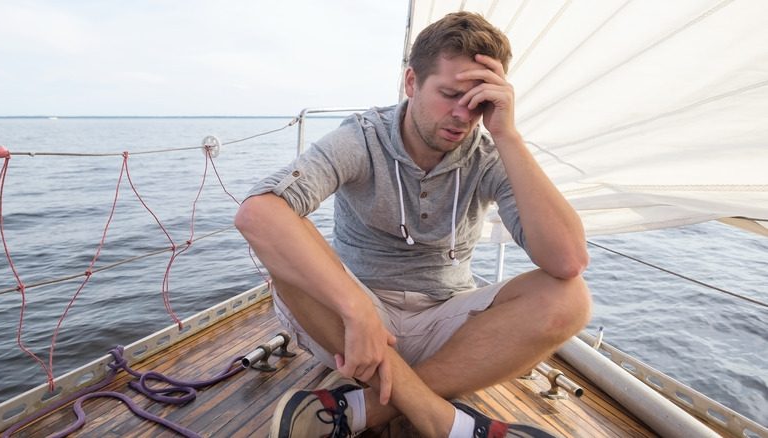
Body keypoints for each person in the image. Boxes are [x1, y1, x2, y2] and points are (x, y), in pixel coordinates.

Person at [235, 11, 591, 438]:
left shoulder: (489, 152)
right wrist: (357, 309)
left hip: (448, 324)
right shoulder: (362, 138)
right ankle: (444, 420)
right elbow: (257, 212)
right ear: (411, 83)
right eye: (449, 94)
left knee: (570, 298)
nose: (463, 114)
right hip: (352, 329)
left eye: (477, 101)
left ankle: (369, 408)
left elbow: (567, 260)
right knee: (286, 256)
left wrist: (508, 135)